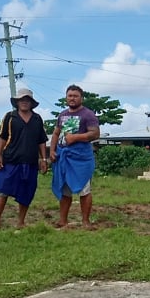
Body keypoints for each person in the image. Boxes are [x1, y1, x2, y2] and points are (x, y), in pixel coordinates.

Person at [0, 88, 49, 229]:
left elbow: (41, 140)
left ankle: (21, 222)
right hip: (11, 160)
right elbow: (2, 137)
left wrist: (43, 159)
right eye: (21, 100)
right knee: (3, 190)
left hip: (30, 162)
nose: (24, 102)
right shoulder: (10, 117)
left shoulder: (37, 119)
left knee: (27, 192)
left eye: (27, 100)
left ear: (31, 103)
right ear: (17, 102)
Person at [50, 84, 100, 228]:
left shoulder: (88, 115)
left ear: (81, 98)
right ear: (66, 97)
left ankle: (85, 221)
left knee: (85, 190)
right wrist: (52, 151)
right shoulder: (63, 115)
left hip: (81, 158)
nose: (72, 98)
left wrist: (75, 138)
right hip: (64, 157)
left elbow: (95, 134)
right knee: (65, 190)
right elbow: (56, 133)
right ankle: (62, 220)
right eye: (70, 96)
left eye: (75, 96)